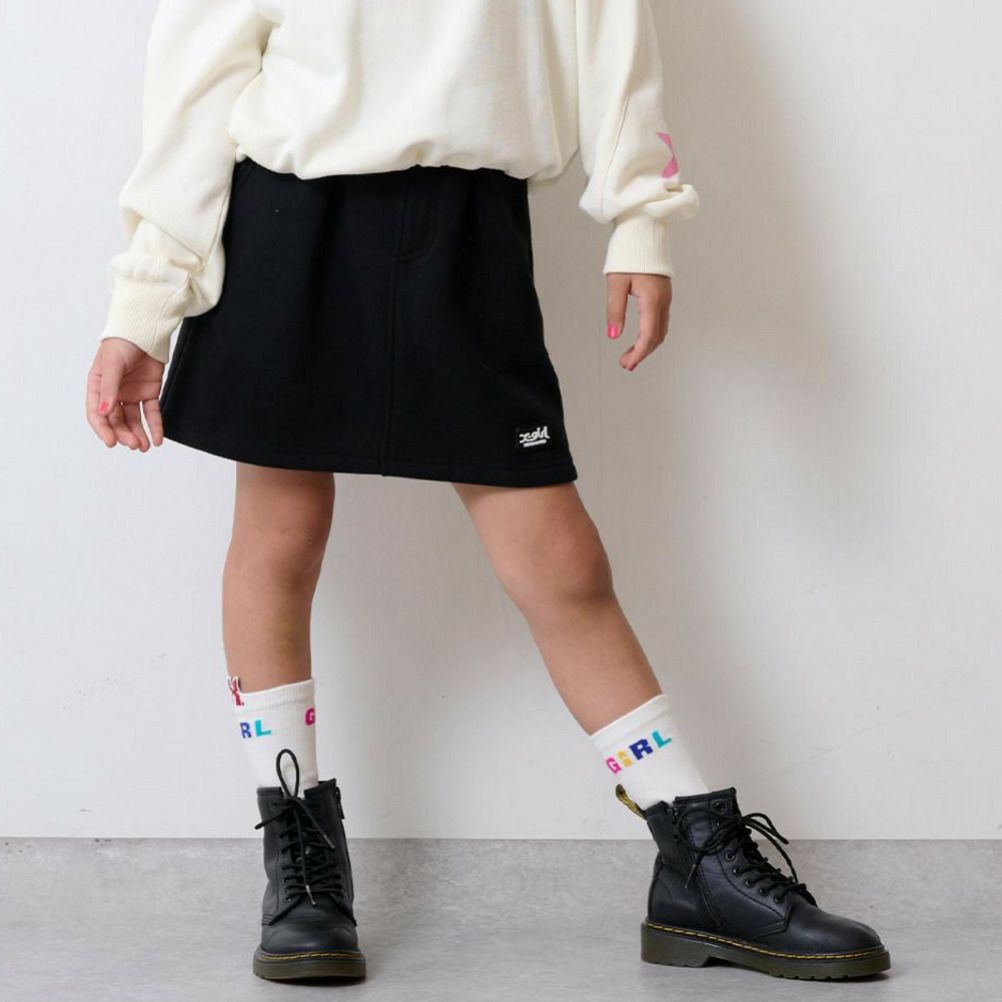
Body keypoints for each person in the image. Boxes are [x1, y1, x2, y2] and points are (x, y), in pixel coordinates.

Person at [85, 0, 890, 984]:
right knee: (279, 536)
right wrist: (142, 304)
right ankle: (300, 865)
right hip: (289, 221)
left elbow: (609, 27)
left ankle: (694, 861)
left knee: (561, 560)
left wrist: (640, 216)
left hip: (470, 230)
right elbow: (198, 81)